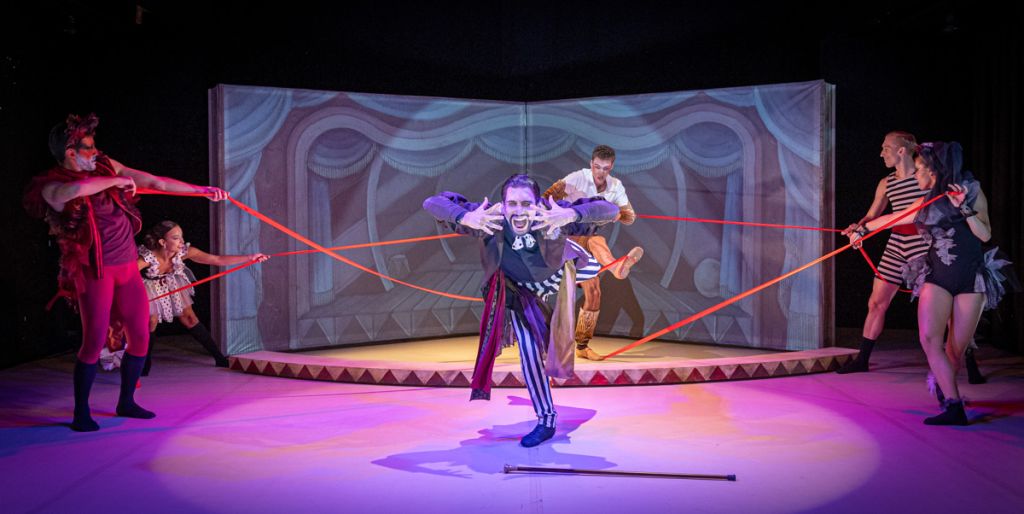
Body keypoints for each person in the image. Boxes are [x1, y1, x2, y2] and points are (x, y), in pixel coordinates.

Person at [23, 113, 228, 432]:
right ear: (70, 152)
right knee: (93, 342)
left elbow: (155, 182)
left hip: (127, 269)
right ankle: (81, 412)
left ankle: (126, 402)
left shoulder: (105, 166)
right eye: (89, 147)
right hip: (96, 273)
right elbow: (75, 190)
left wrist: (200, 190)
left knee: (141, 337)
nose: (96, 152)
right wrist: (115, 182)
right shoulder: (51, 186)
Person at [423, 173, 618, 447]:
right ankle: (547, 419)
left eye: (526, 204)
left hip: (559, 274)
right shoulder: (490, 220)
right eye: (512, 204)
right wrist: (465, 217)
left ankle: (608, 267)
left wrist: (570, 214)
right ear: (502, 205)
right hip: (521, 291)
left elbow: (611, 210)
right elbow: (432, 203)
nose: (519, 212)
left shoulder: (550, 215)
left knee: (582, 272)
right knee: (529, 351)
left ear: (538, 204)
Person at [851, 141, 1009, 425]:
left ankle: (943, 386)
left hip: (970, 278)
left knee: (954, 350)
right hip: (937, 277)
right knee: (929, 340)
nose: (917, 175)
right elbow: (894, 218)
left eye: (920, 169)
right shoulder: (926, 200)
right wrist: (861, 230)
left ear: (934, 170)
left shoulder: (971, 190)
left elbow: (985, 235)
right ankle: (954, 406)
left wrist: (964, 208)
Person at [100, 221, 269, 372]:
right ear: (162, 242)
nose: (181, 241)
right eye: (175, 238)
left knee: (189, 318)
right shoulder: (147, 258)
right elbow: (124, 276)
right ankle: (145, 363)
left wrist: (250, 258)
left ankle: (219, 358)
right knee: (151, 321)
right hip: (149, 286)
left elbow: (216, 259)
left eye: (181, 236)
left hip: (172, 283)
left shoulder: (184, 252)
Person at [837, 131, 929, 373]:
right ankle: (862, 360)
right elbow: (872, 216)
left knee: (939, 307)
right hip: (896, 245)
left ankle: (968, 360)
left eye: (885, 148)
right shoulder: (886, 183)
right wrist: (858, 228)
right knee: (876, 302)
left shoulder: (925, 176)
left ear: (901, 151)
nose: (881, 154)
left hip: (924, 245)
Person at [543, 145, 643, 360]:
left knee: (595, 293)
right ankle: (617, 269)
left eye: (605, 168)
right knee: (597, 241)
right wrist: (560, 211)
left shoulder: (615, 186)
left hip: (586, 241)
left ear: (611, 167)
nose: (600, 172)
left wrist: (616, 213)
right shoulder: (577, 178)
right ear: (591, 164)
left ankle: (582, 346)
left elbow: (630, 217)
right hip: (564, 239)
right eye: (597, 167)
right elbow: (546, 198)